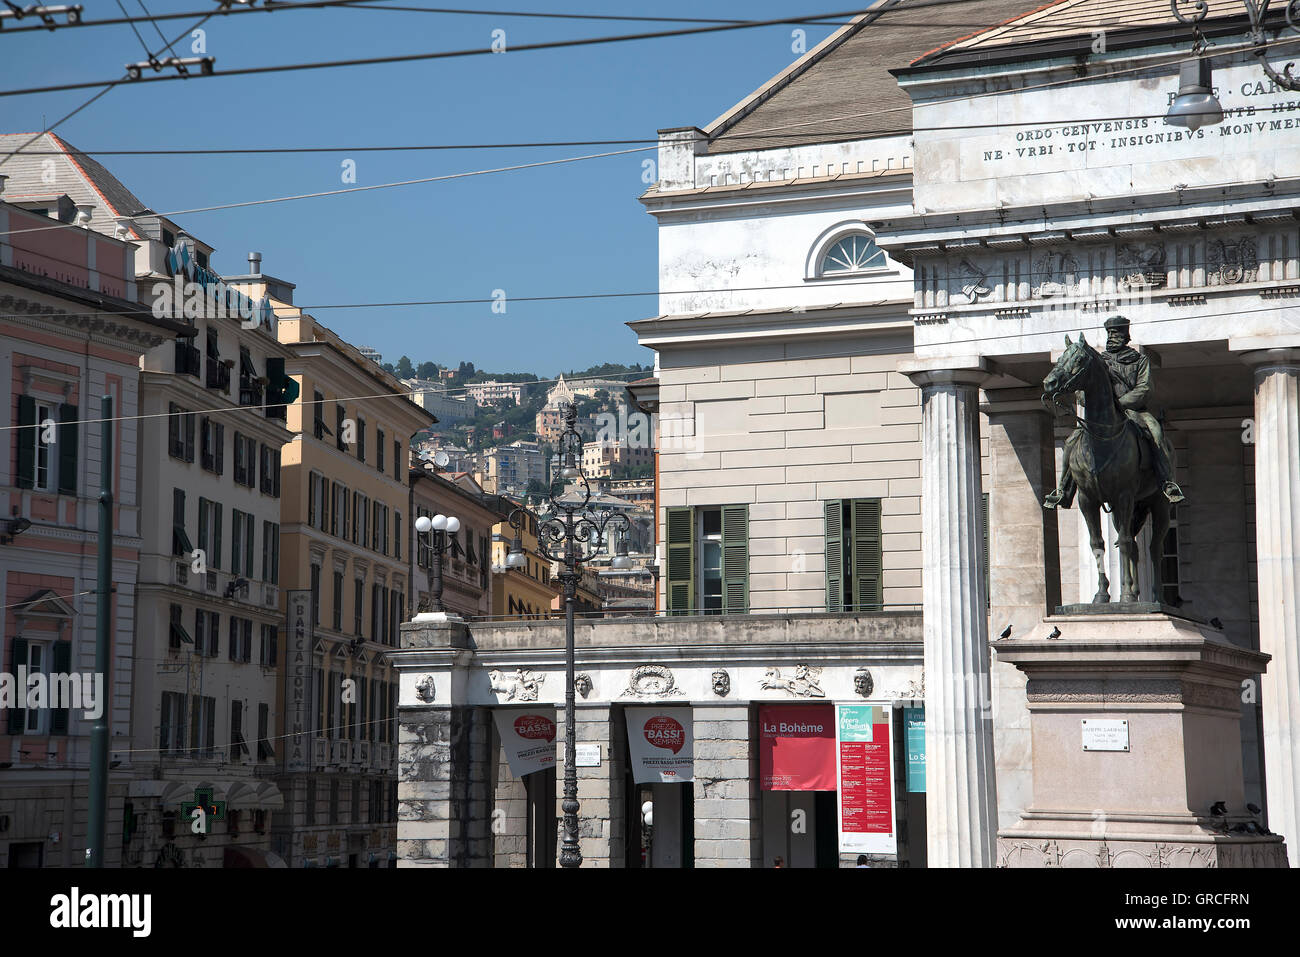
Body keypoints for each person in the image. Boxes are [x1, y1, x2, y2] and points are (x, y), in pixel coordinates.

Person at [1044, 315, 1184, 509]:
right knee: (1071, 442)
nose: (1112, 337)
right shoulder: (1099, 361)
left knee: (1156, 432)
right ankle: (1064, 489)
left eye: (1117, 334)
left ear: (1126, 336)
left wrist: (1120, 403)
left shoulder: (1139, 360)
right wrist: (1087, 399)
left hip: (1134, 411)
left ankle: (1167, 482)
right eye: (1110, 333)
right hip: (1102, 416)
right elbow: (1083, 387)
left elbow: (1144, 388)